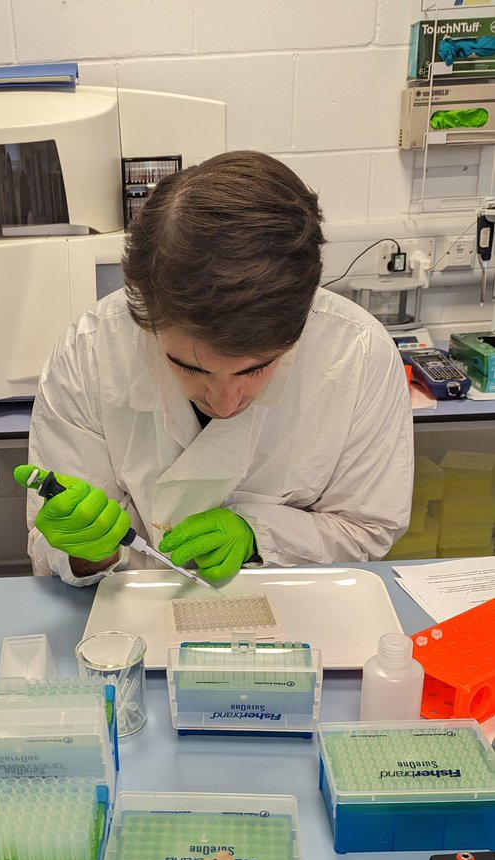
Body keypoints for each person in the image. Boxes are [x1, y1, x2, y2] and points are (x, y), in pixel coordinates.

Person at [25, 150, 413, 586]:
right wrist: (85, 553)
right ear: (148, 315)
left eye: (255, 370)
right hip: (127, 607)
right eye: (191, 368)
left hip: (291, 598)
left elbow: (367, 527)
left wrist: (259, 535)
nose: (225, 404)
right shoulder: (90, 352)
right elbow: (54, 544)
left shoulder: (357, 353)